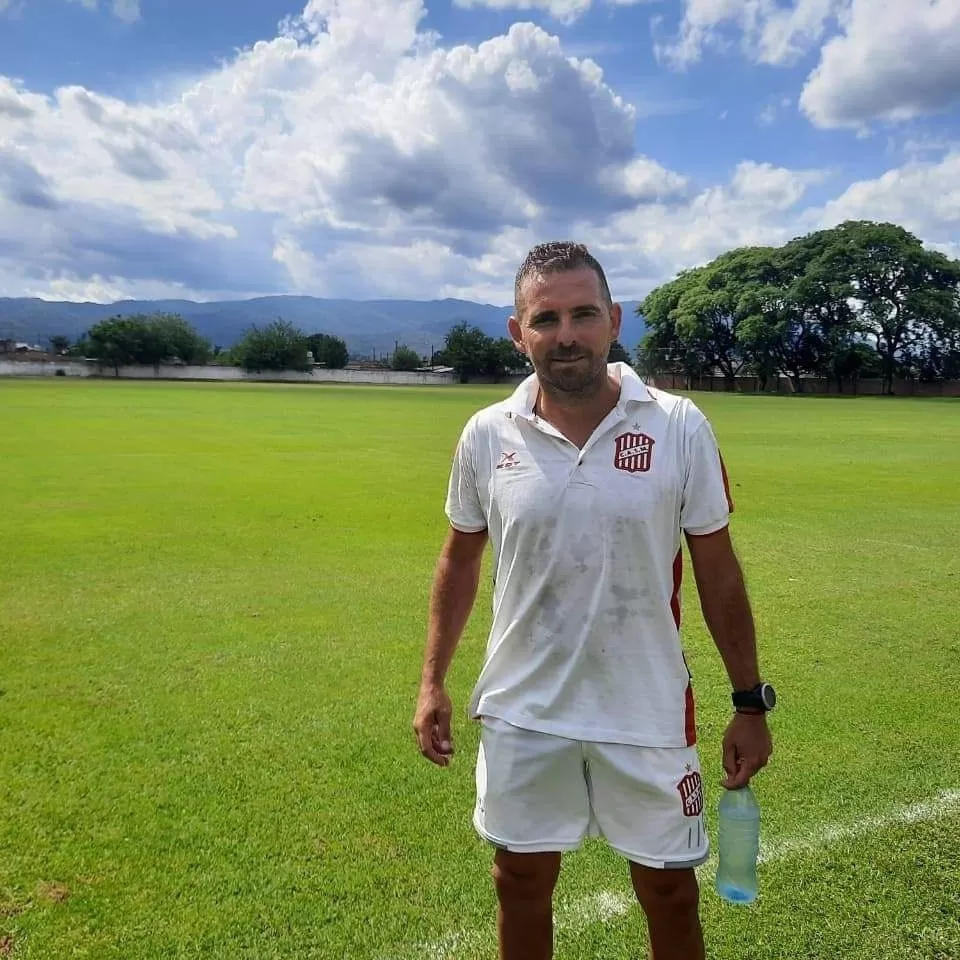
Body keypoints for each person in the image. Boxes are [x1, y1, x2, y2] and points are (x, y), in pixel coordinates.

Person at [413, 241, 774, 960]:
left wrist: (749, 703)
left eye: (583, 314)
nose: (566, 334)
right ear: (519, 334)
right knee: (518, 878)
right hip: (523, 708)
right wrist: (431, 681)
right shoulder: (487, 434)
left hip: (645, 705)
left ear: (613, 321)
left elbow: (718, 570)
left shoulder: (677, 425)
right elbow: (459, 556)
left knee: (670, 890)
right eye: (545, 318)